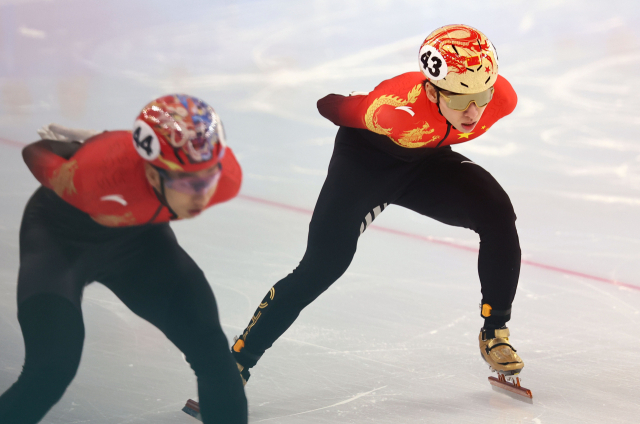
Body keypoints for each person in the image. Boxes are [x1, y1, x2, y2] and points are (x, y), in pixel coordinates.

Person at [231, 24, 524, 385]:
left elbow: (462, 113)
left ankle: (495, 331)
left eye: (483, 94)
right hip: (365, 164)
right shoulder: (391, 111)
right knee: (321, 268)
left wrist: (468, 102)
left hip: (426, 162)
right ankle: (238, 360)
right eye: (461, 100)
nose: (474, 110)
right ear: (431, 90)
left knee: (497, 211)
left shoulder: (501, 100)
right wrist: (342, 100)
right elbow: (334, 107)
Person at [0, 94, 247, 424]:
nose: (202, 194)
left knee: (212, 351)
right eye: (187, 182)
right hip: (60, 242)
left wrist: (105, 137)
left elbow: (197, 171)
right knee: (50, 370)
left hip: (140, 242)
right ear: (152, 172)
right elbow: (34, 153)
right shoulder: (92, 180)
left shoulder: (226, 181)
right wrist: (88, 149)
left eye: (208, 177)